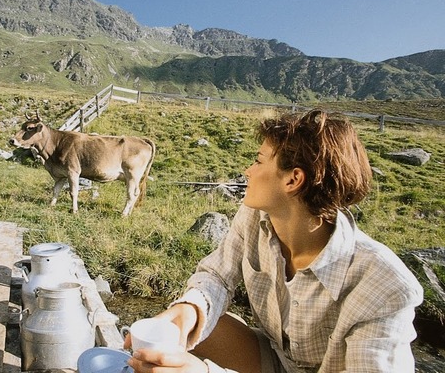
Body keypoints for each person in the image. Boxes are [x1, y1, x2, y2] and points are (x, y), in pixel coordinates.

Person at [125, 109, 423, 372]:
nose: (248, 170)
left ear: (293, 180)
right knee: (193, 331)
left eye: (258, 161)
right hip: (276, 359)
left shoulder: (386, 287)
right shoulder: (256, 215)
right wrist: (190, 309)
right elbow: (218, 275)